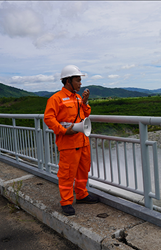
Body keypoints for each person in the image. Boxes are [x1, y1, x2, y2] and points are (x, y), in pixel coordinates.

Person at [44, 65, 99, 216]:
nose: (80, 84)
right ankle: (66, 202)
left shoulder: (78, 97)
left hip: (82, 141)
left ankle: (82, 195)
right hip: (68, 143)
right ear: (68, 81)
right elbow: (48, 118)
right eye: (78, 80)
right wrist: (62, 131)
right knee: (67, 174)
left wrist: (85, 102)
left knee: (83, 170)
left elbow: (85, 113)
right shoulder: (56, 98)